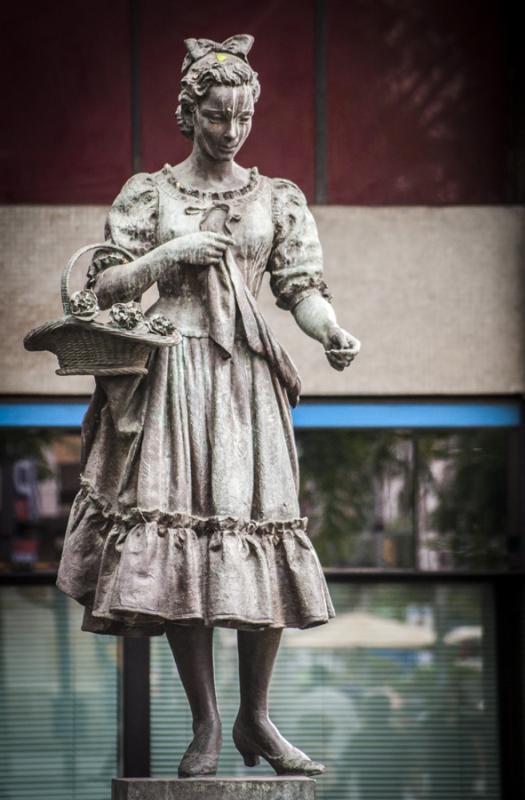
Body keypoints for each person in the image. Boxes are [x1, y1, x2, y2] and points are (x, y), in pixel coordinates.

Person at [57, 33, 361, 778]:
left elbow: (301, 289)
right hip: (174, 375)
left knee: (259, 534)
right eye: (217, 116)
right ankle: (207, 724)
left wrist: (330, 333)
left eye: (242, 118)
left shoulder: (275, 197)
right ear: (188, 113)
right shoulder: (149, 194)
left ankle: (258, 717)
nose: (230, 131)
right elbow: (102, 287)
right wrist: (169, 256)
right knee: (182, 548)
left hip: (247, 381)